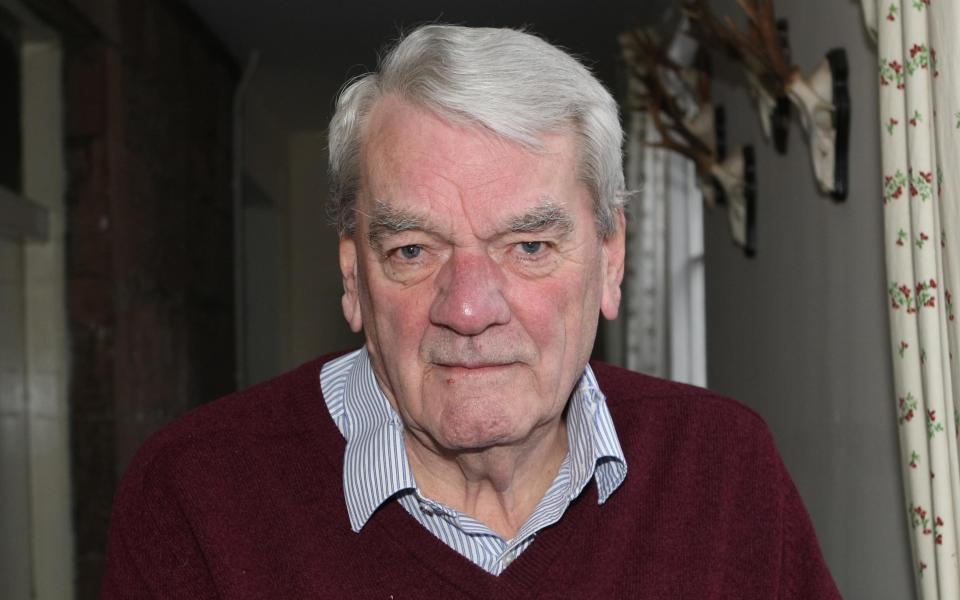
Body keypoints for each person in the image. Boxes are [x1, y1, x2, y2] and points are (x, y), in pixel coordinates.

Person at [102, 25, 841, 599]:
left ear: (611, 259)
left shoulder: (725, 467)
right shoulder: (194, 497)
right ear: (353, 275)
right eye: (414, 251)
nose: (467, 309)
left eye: (528, 245)